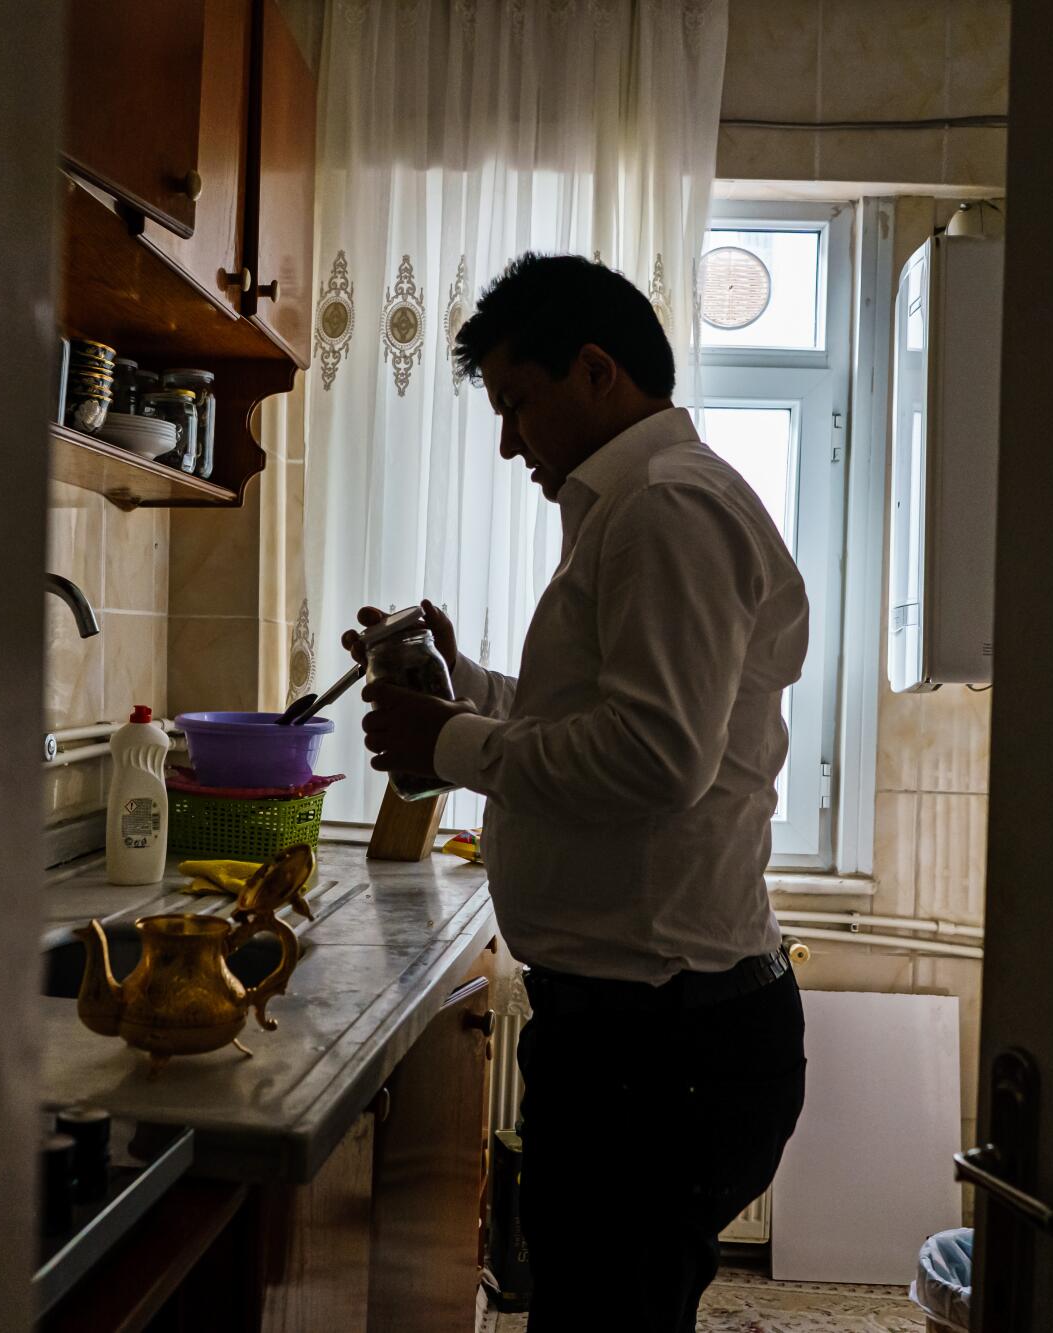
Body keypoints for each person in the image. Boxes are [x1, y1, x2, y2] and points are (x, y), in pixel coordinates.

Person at [347, 254, 809, 1333]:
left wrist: (448, 738)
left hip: (658, 1048)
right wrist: (467, 693)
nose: (509, 440)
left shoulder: (663, 510)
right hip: (651, 1033)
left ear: (595, 370)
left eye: (518, 402)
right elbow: (601, 715)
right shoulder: (643, 508)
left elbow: (653, 757)